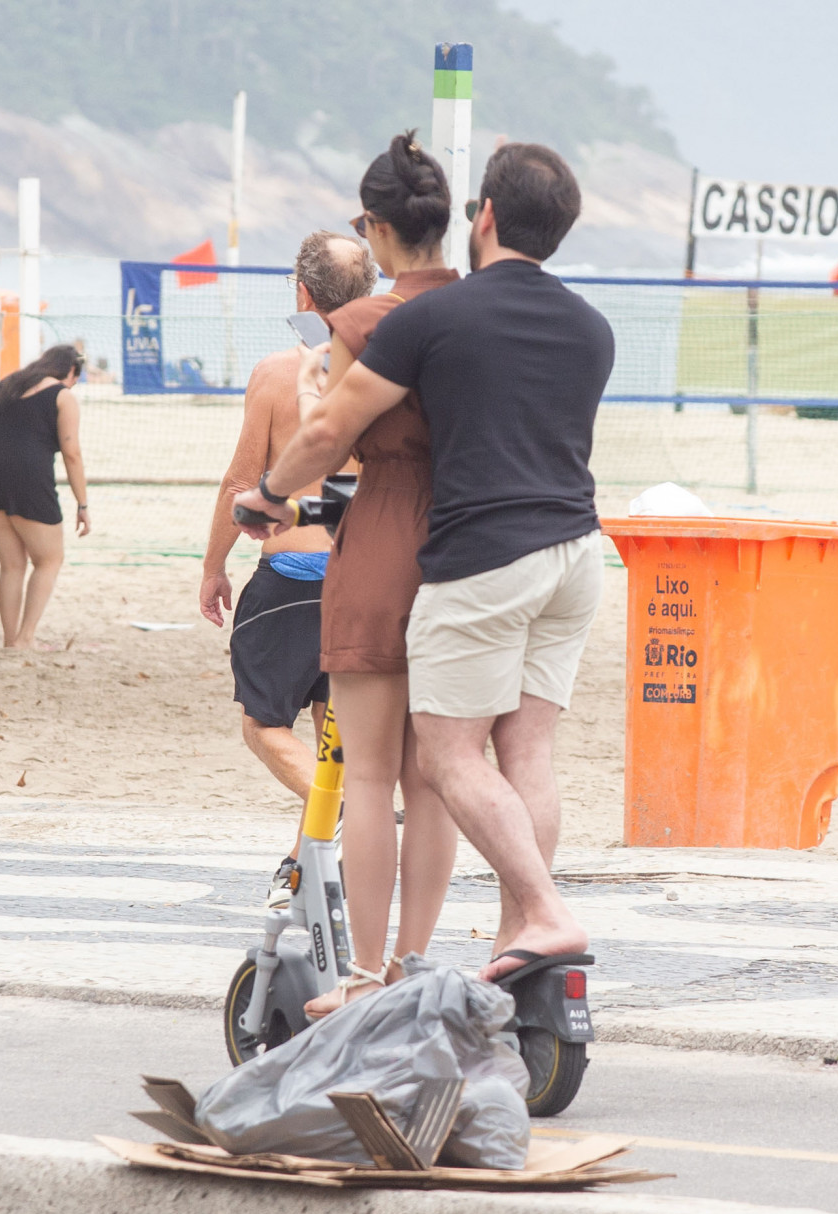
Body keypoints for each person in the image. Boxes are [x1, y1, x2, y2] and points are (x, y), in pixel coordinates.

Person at [236, 142, 612, 982]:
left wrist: (268, 493)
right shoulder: (588, 326)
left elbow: (330, 433)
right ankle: (487, 941)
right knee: (510, 760)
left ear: (483, 217)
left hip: (452, 552)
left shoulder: (416, 322)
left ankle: (385, 967)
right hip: (564, 549)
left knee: (403, 768)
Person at [295, 132, 462, 1017]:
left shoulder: (360, 325)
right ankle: (416, 962)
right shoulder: (476, 310)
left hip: (384, 532)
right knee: (433, 775)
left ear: (377, 228)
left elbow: (334, 437)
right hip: (463, 544)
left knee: (368, 773)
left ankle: (361, 974)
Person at [200, 232, 376, 802]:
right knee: (334, 734)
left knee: (263, 724)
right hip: (362, 572)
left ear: (303, 294)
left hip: (295, 573)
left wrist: (214, 567)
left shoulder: (280, 372)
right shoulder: (389, 374)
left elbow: (241, 481)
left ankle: (341, 810)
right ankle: (307, 867)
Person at [0, 343, 91, 650]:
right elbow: (72, 454)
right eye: (76, 377)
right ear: (71, 370)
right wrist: (83, 503)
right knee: (49, 560)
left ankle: (11, 640)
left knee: (11, 565)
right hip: (28, 476)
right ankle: (25, 639)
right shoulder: (63, 395)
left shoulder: (4, 387)